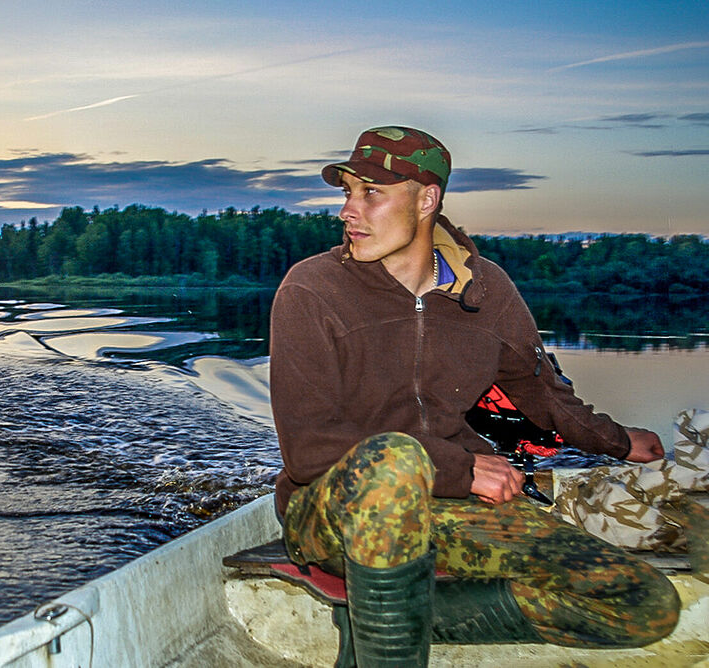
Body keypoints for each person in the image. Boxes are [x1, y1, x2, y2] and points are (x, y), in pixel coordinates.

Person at [269, 126, 680, 666]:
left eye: (371, 193)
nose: (349, 210)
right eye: (347, 191)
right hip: (333, 512)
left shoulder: (487, 293)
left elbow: (544, 394)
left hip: (448, 506)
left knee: (644, 603)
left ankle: (382, 616)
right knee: (391, 461)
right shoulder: (311, 289)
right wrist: (461, 469)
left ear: (427, 200)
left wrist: (619, 441)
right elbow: (309, 445)